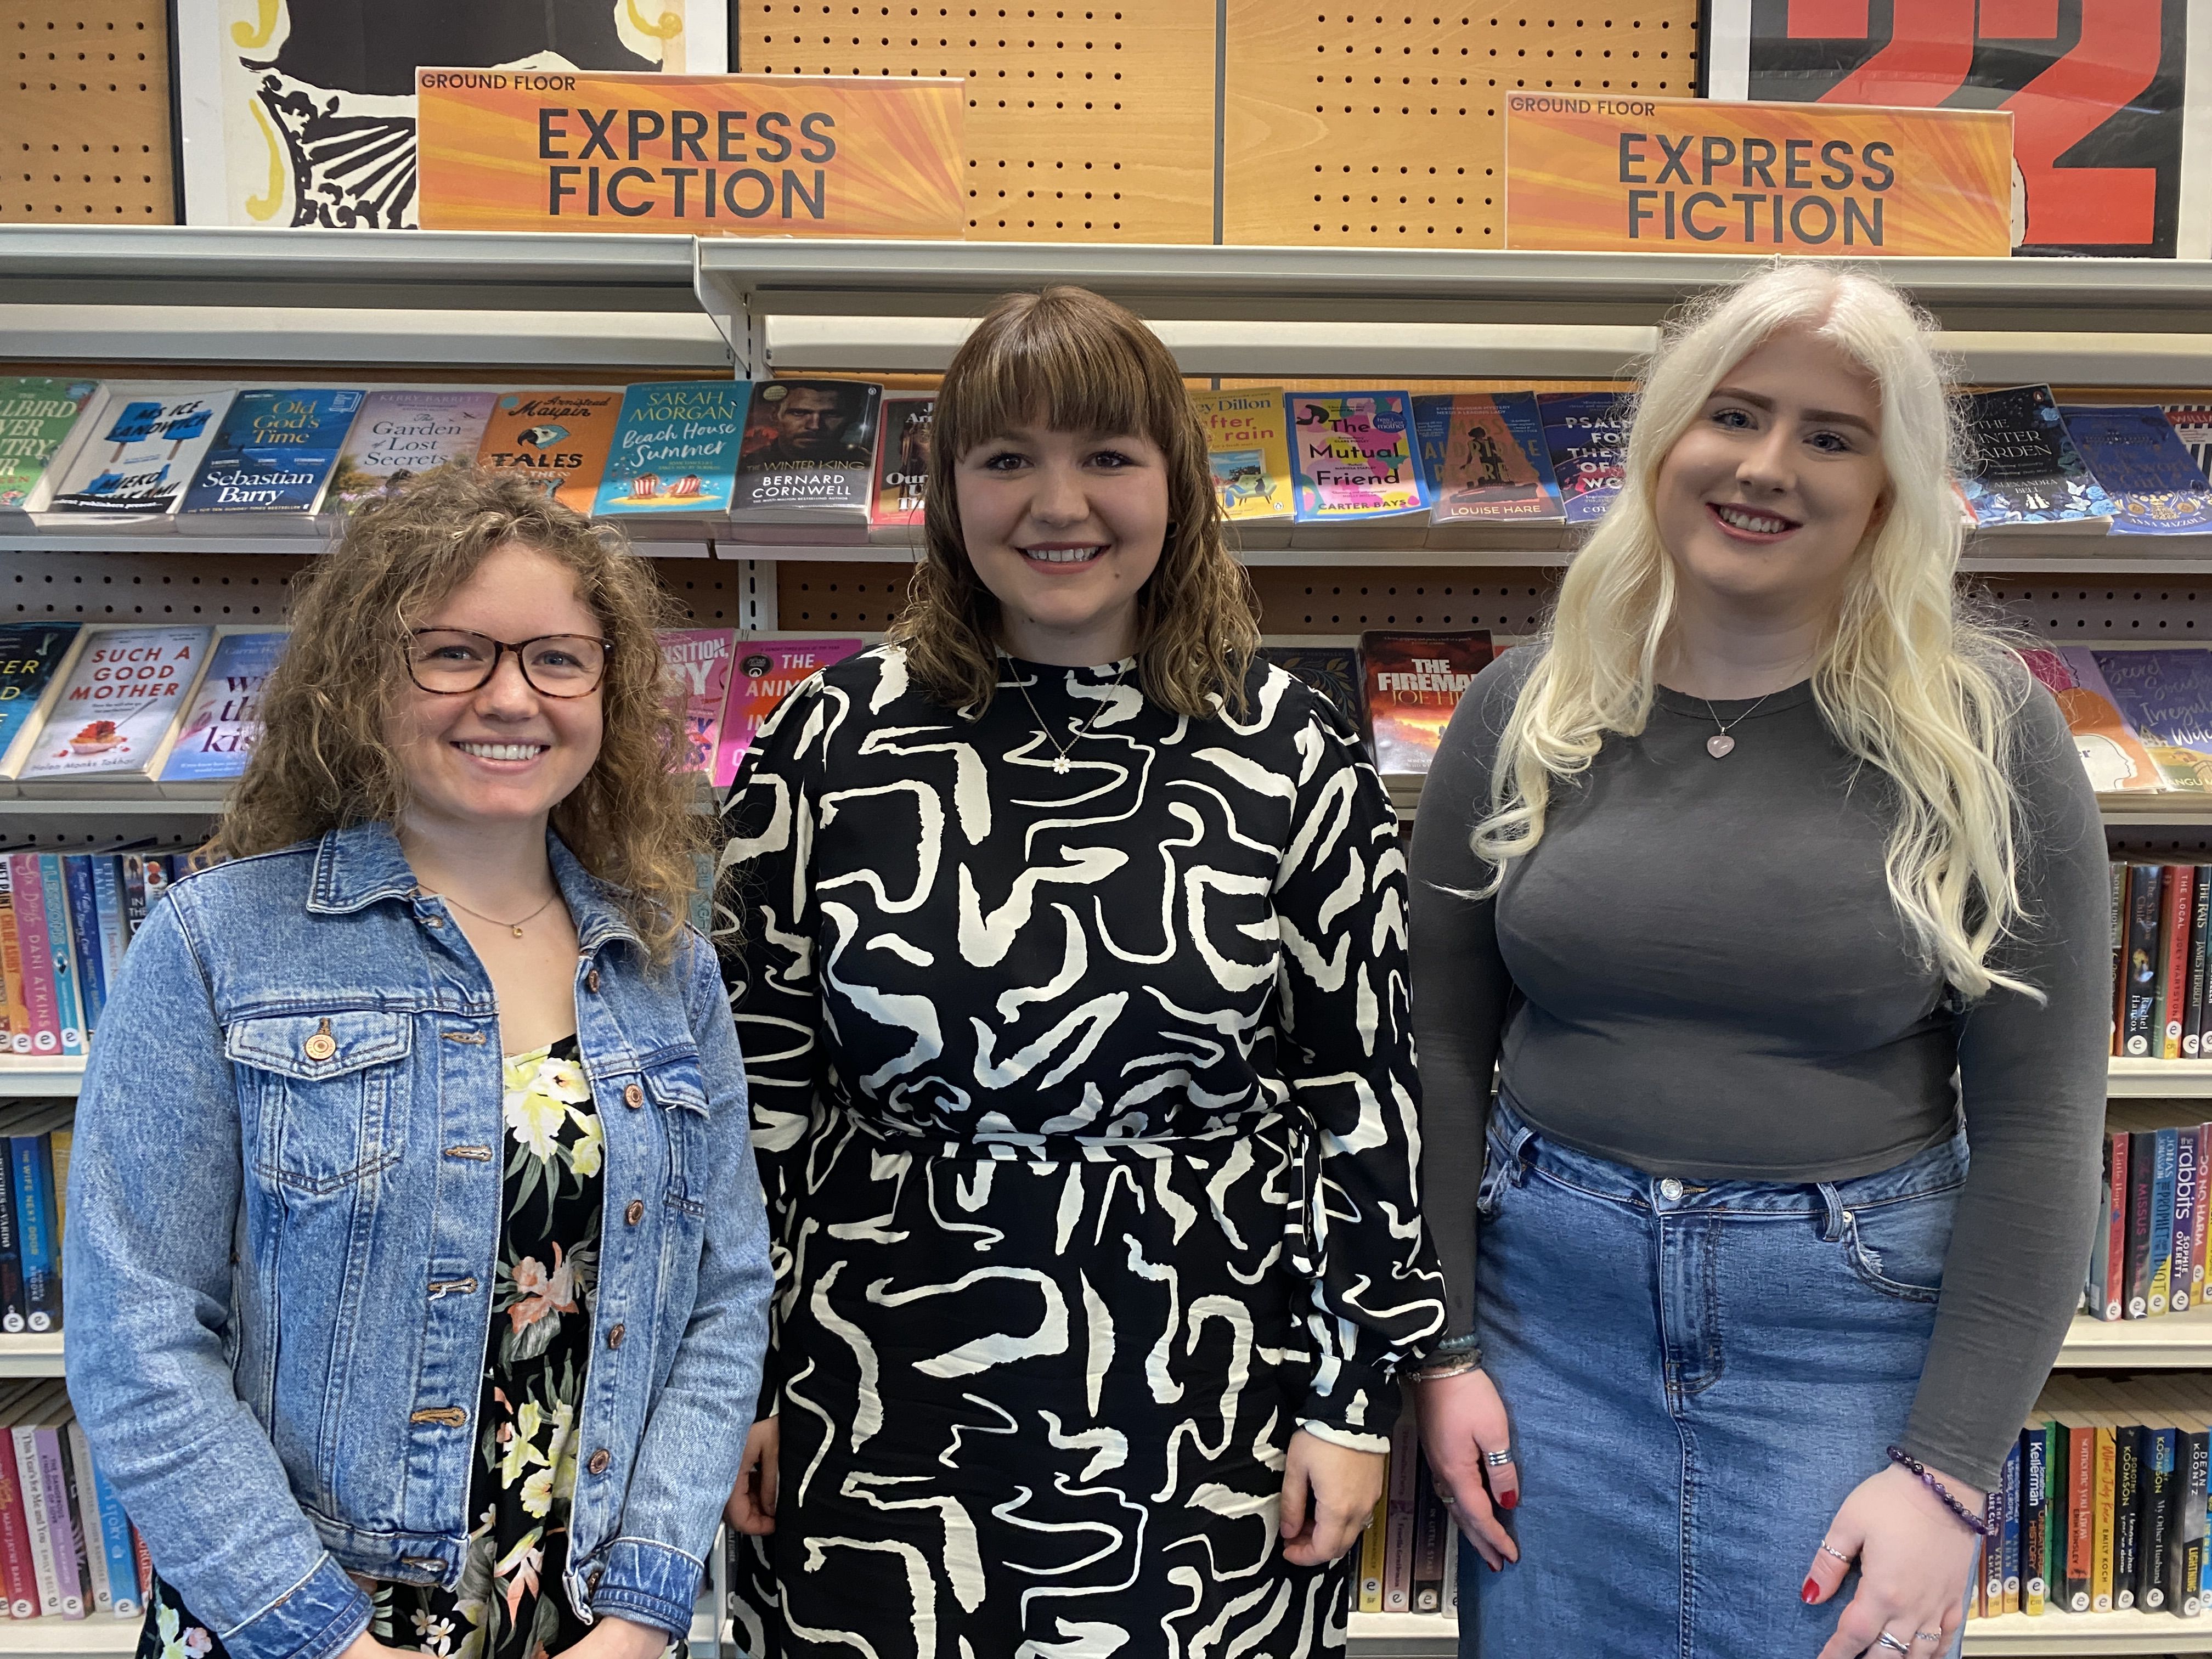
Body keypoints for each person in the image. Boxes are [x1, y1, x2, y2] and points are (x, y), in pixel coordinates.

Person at [714, 285, 1447, 1655]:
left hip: (1208, 1375)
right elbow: (757, 1090)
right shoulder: (828, 744)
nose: (1060, 504)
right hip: (872, 1382)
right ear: (948, 493)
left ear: (1179, 481)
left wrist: (1353, 1405)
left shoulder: (1290, 750)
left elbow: (1365, 1101)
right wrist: (736, 1379)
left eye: (1108, 456)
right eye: (1008, 460)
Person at [1409, 262, 2108, 1659]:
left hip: (1844, 1341)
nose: (1766, 467)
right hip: (1550, 1329)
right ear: (1668, 439)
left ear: (1891, 488)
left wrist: (1948, 1476)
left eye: (1830, 437)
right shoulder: (1525, 706)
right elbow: (1435, 1046)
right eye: (1735, 415)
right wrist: (1447, 1350)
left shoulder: (1990, 737)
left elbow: (2040, 1130)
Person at [64, 468, 774, 1659]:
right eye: (453, 653)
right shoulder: (214, 945)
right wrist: (324, 1637)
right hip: (295, 1626)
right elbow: (137, 1338)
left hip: (579, 1624)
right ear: (361, 681)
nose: (511, 697)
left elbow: (722, 1298)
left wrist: (645, 1612)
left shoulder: (668, 967)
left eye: (558, 657)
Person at [740, 382, 871, 469]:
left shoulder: (867, 464)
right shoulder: (749, 466)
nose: (815, 426)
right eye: (799, 413)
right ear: (775, 415)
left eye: (831, 415)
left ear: (854, 416)